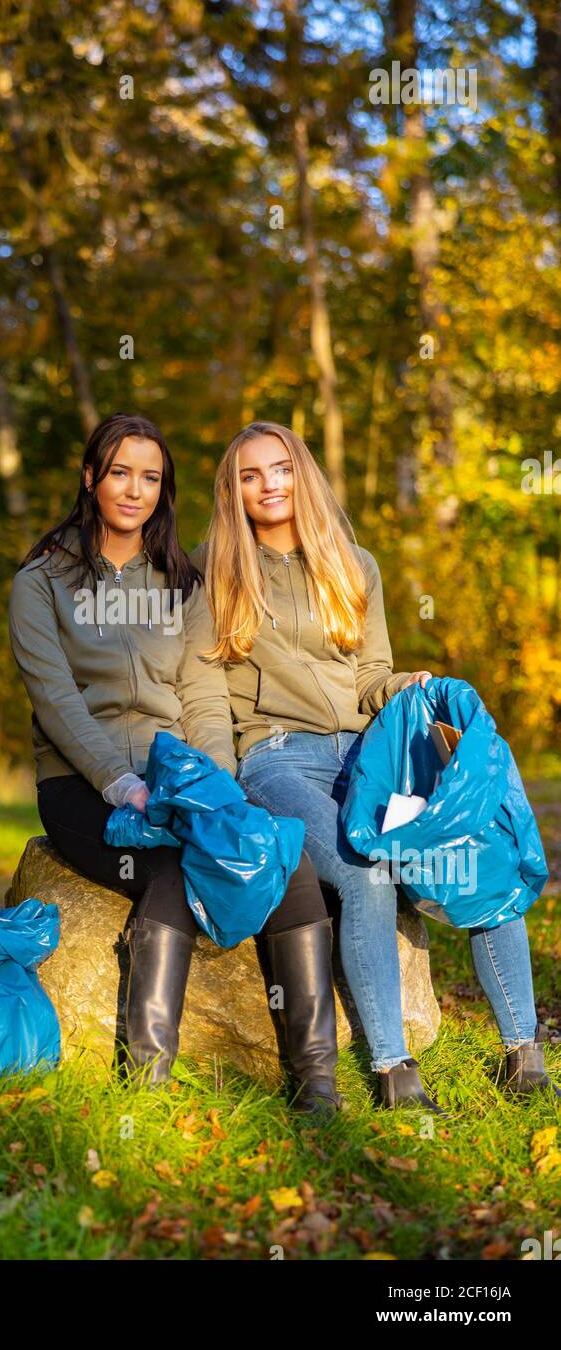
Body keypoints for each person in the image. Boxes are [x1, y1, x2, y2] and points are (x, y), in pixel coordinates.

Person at [194, 420, 560, 1110]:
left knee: (477, 852)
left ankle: (524, 1055)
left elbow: (371, 677)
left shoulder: (353, 563)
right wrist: (220, 785)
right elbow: (208, 698)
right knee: (367, 871)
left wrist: (407, 689)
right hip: (276, 761)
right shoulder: (210, 569)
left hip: (367, 755)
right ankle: (394, 1071)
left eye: (280, 468)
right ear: (232, 491)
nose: (269, 484)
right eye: (250, 475)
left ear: (302, 473)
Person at [9, 412, 341, 1108]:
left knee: (286, 863)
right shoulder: (40, 582)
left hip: (180, 778)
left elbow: (203, 696)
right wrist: (118, 782)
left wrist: (217, 786)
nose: (135, 491)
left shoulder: (181, 583)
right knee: (166, 871)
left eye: (151, 478)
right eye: (121, 473)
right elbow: (57, 704)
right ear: (91, 477)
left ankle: (315, 1087)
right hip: (82, 785)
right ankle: (147, 1088)